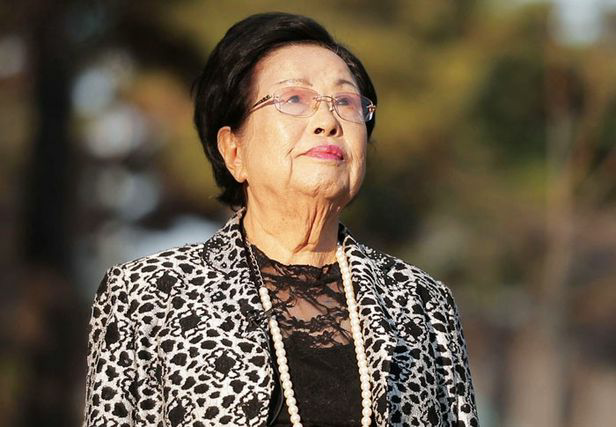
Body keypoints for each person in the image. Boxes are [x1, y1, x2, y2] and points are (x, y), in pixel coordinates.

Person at [83, 12, 479, 427]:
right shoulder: (148, 295)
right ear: (233, 151)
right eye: (294, 99)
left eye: (345, 102)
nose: (328, 122)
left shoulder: (421, 303)